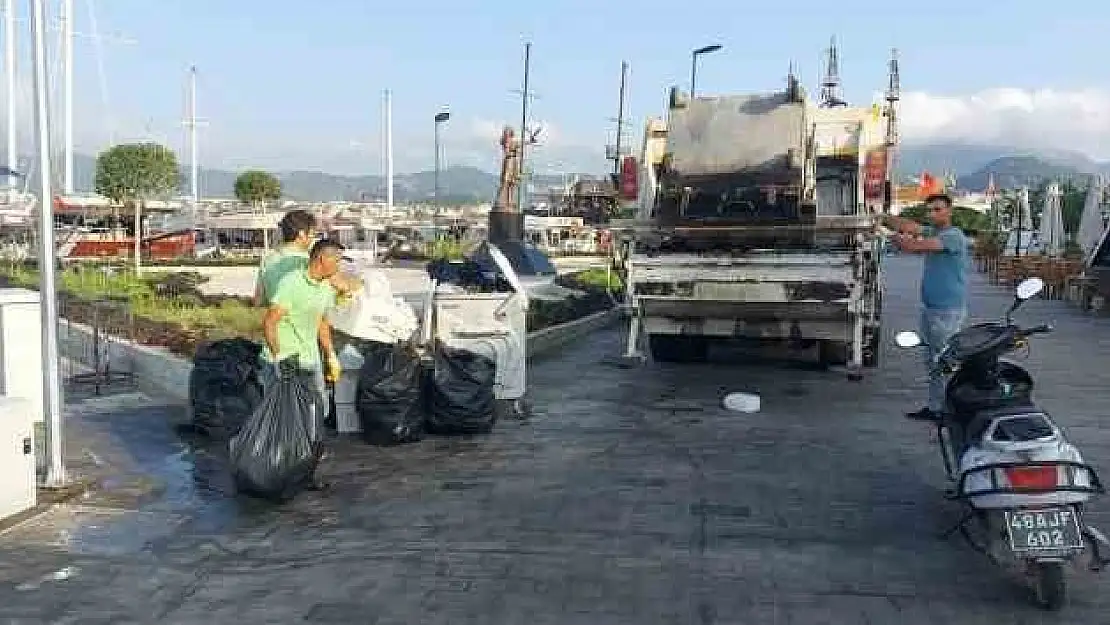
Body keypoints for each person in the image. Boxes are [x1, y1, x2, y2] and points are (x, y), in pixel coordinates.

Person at [261, 239, 346, 488]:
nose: (339, 266)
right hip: (285, 360)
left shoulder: (324, 287)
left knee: (315, 417)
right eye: (337, 260)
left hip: (310, 361)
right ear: (323, 259)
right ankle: (272, 474)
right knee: (282, 419)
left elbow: (321, 323)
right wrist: (278, 356)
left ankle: (304, 474)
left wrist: (330, 354)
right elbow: (270, 321)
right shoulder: (292, 283)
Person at [883, 193, 970, 422]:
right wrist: (881, 217)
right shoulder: (935, 232)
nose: (933, 214)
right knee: (932, 361)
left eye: (938, 209)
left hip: (947, 311)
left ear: (949, 211)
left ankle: (949, 409)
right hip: (932, 309)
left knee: (944, 361)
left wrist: (888, 234)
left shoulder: (953, 236)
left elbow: (912, 246)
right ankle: (935, 408)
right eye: (930, 210)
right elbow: (910, 226)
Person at [253, 209, 317, 307]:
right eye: (312, 234)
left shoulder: (268, 260)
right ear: (302, 234)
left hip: (276, 318)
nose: (313, 238)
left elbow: (258, 300)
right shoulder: (309, 262)